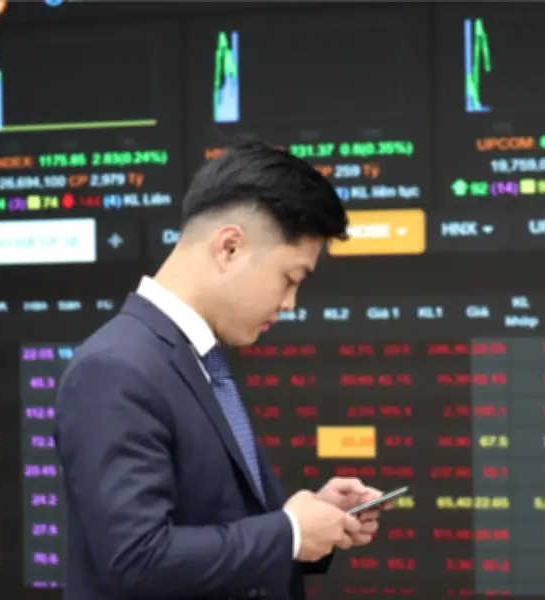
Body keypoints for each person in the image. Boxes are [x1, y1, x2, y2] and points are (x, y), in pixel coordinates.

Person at [54, 141, 385, 600]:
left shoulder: (195, 358)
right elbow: (137, 558)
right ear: (230, 247)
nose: (289, 303)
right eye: (290, 279)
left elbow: (215, 524)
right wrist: (288, 532)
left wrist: (311, 521)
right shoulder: (114, 369)